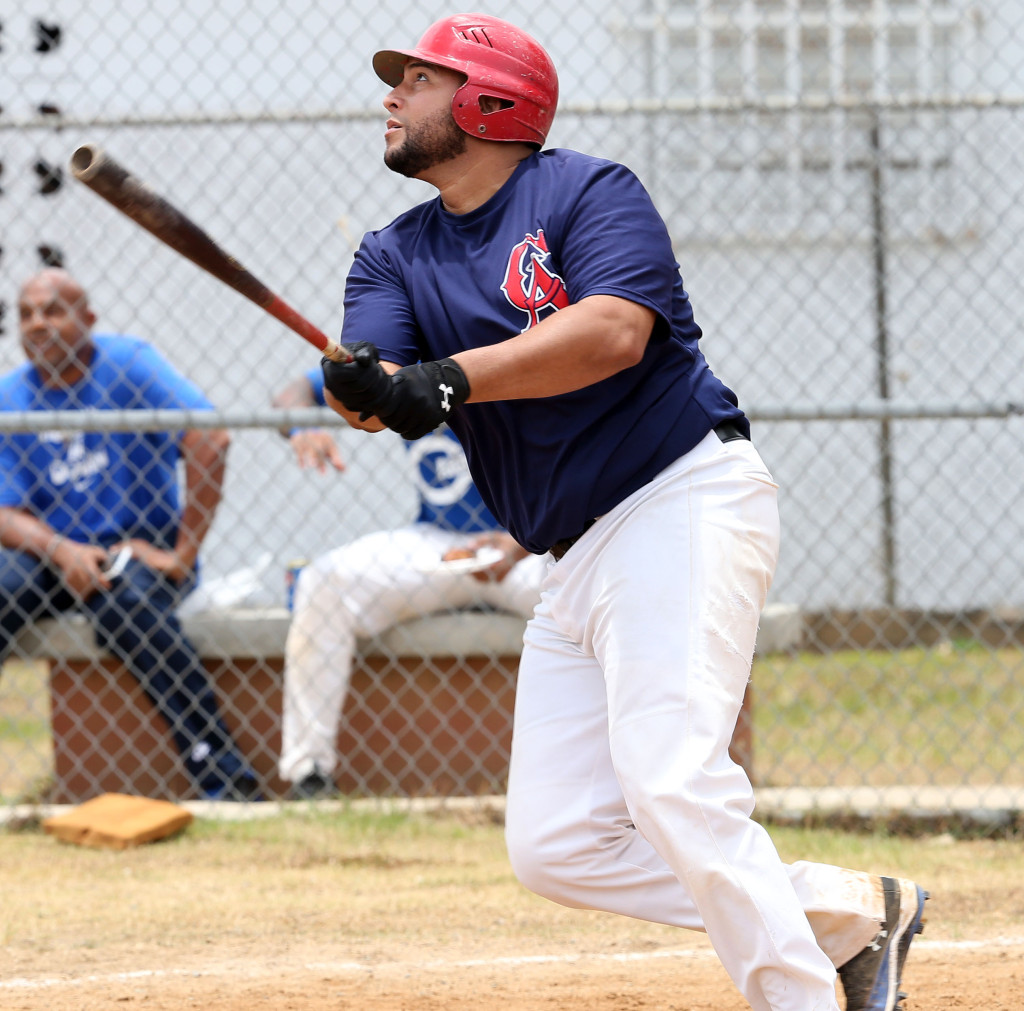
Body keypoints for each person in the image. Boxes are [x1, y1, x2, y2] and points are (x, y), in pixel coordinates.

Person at [316, 13, 927, 1011]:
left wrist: (444, 379)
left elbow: (609, 333)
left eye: (418, 81)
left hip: (679, 497)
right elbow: (382, 388)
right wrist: (357, 387)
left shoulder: (587, 191)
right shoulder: (392, 253)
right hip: (573, 551)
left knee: (670, 778)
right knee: (556, 844)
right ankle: (848, 917)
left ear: (489, 101)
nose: (391, 95)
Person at [0, 268, 259, 801]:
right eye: (25, 314)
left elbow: (210, 438)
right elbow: (5, 512)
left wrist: (182, 554)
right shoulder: (10, 395)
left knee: (128, 607)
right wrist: (59, 549)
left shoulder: (129, 365)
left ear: (88, 319)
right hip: (52, 552)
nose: (37, 324)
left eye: (53, 310)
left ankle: (226, 783)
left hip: (134, 547)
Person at [273, 366, 547, 799]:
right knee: (323, 582)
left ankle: (626, 776)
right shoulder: (401, 343)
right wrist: (303, 426)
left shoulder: (513, 324)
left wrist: (524, 542)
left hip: (534, 540)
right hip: (435, 539)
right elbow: (295, 391)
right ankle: (310, 774)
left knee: (596, 595)